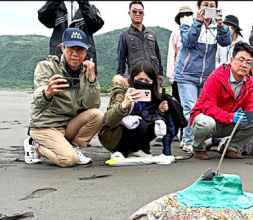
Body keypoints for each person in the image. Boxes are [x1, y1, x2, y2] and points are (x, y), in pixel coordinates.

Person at [24, 28, 103, 167]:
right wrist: (47, 93)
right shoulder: (47, 67)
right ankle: (35, 144)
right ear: (63, 48)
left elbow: (92, 106)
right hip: (45, 125)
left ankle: (75, 147)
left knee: (97, 115)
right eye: (71, 48)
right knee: (69, 160)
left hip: (67, 125)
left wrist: (92, 81)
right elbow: (38, 97)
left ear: (86, 52)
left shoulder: (85, 72)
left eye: (80, 50)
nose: (75, 54)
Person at [175, 0, 232, 153]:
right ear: (199, 7)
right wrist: (198, 22)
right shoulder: (188, 22)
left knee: (202, 110)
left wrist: (221, 25)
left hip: (206, 76)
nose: (208, 8)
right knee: (190, 108)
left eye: (212, 5)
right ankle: (189, 141)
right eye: (205, 4)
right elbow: (187, 42)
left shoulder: (216, 25)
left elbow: (226, 41)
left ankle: (195, 139)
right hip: (187, 74)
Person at [189, 42, 253, 160]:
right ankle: (198, 148)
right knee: (206, 123)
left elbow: (249, 105)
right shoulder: (216, 77)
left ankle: (230, 148)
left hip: (228, 121)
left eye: (248, 62)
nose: (244, 65)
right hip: (208, 118)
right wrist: (231, 117)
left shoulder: (249, 82)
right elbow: (208, 107)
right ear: (232, 60)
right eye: (241, 60)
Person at [99, 61, 182, 159]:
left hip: (137, 132)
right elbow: (109, 120)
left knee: (157, 121)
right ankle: (119, 150)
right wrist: (124, 104)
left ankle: (136, 149)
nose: (143, 83)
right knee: (139, 123)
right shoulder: (121, 91)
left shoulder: (153, 94)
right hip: (113, 134)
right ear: (132, 78)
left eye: (147, 80)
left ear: (153, 81)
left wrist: (159, 110)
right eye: (139, 79)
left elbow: (150, 115)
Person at [38, 0, 104, 71]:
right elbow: (44, 19)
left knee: (86, 77)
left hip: (84, 60)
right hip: (59, 57)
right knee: (57, 77)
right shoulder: (56, 7)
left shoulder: (90, 8)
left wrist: (83, 3)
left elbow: (96, 25)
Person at [117, 1, 164, 77]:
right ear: (129, 13)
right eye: (134, 11)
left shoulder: (151, 34)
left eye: (140, 12)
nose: (138, 14)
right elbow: (121, 59)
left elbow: (158, 55)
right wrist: (119, 76)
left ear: (143, 14)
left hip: (153, 77)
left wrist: (160, 73)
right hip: (136, 77)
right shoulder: (125, 35)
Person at [166, 5, 194, 104]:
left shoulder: (198, 32)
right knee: (178, 105)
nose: (185, 17)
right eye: (182, 15)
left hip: (194, 76)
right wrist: (171, 77)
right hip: (179, 76)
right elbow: (171, 56)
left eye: (188, 14)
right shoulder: (175, 34)